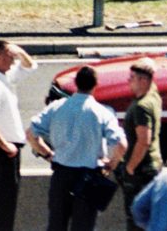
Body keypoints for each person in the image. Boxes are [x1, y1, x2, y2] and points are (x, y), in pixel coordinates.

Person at [29, 64, 125, 231]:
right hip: (89, 176)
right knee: (84, 226)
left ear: (76, 83)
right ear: (95, 85)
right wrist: (112, 163)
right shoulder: (103, 112)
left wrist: (47, 154)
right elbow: (121, 145)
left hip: (61, 174)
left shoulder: (56, 107)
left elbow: (31, 134)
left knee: (56, 224)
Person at [0, 39, 35, 231]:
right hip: (2, 150)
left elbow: (30, 66)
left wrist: (18, 51)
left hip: (6, 149)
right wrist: (5, 145)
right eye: (10, 57)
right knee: (2, 207)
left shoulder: (5, 77)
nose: (13, 61)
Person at [118, 59, 163, 231]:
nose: (128, 81)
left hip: (141, 170)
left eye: (132, 77)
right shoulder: (153, 96)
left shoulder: (141, 106)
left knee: (136, 219)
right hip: (153, 165)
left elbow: (143, 141)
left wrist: (130, 167)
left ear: (143, 81)